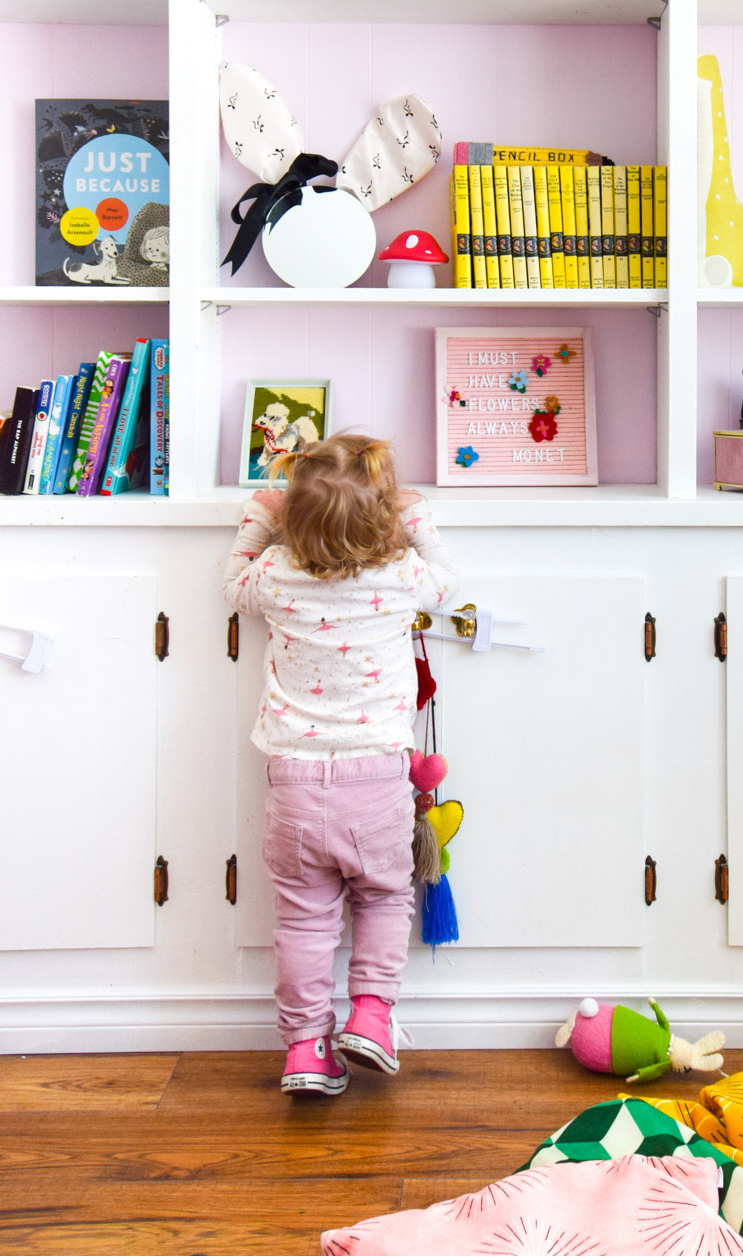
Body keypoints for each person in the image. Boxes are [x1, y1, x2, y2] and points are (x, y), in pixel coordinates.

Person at [223, 433, 458, 1097]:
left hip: (294, 783)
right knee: (383, 898)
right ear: (383, 518)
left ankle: (304, 1048)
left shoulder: (274, 575)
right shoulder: (399, 577)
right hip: (377, 777)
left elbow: (231, 582)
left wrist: (258, 520)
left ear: (294, 517)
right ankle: (374, 1016)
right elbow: (446, 578)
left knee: (302, 920)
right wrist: (416, 518)